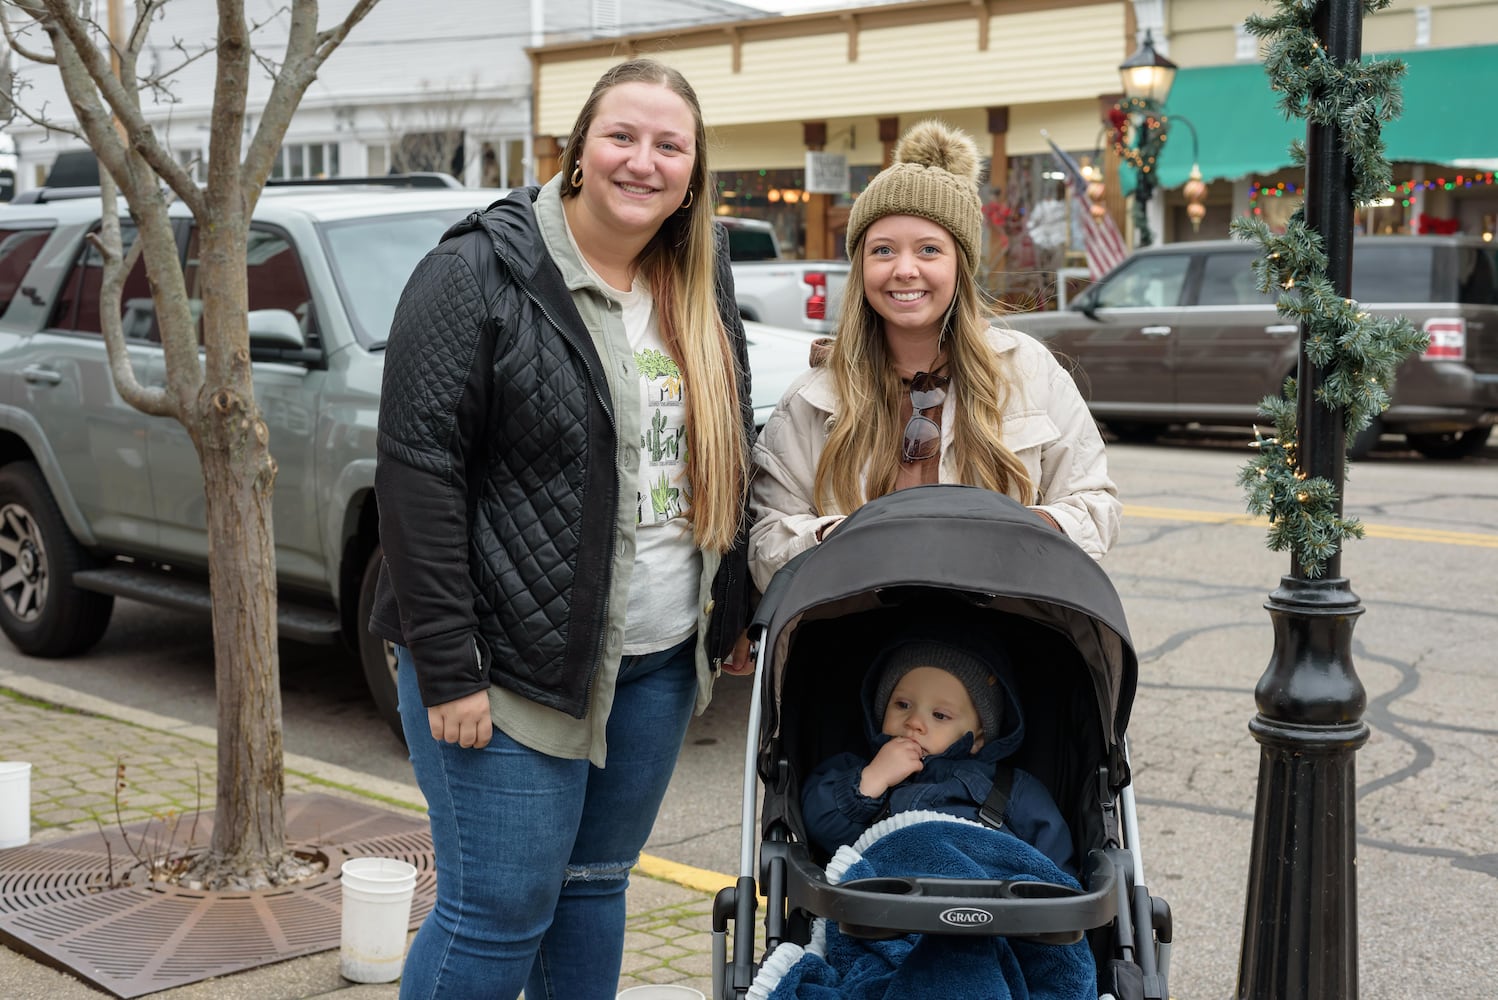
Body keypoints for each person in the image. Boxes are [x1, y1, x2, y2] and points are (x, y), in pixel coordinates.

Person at [368, 58, 755, 1000]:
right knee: (494, 917)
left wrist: (732, 606)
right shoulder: (475, 271)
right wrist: (449, 666)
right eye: (622, 136)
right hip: (506, 671)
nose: (643, 161)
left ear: (694, 173)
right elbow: (418, 475)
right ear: (577, 149)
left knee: (591, 890)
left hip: (656, 663)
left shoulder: (698, 281)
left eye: (670, 145)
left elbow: (730, 444)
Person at [749, 120, 1119, 593]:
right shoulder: (814, 396)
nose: (905, 270)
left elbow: (1095, 507)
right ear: (861, 267)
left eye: (929, 249)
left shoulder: (1029, 372)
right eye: (883, 250)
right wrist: (837, 539)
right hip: (859, 641)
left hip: (1000, 635)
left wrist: (1010, 533)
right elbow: (764, 539)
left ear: (960, 264)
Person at [799, 623, 1074, 875]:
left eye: (940, 715)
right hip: (884, 905)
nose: (914, 722)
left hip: (987, 908)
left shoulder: (1011, 788)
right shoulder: (854, 772)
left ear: (979, 737)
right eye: (902, 705)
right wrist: (872, 780)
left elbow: (1052, 864)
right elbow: (821, 828)